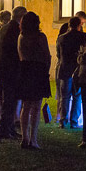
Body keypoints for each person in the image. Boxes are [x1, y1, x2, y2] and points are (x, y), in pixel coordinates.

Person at [17, 11, 51, 150]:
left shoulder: (21, 36)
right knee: (36, 107)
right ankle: (33, 139)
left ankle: (25, 138)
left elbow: (20, 54)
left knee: (25, 106)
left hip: (25, 69)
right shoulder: (40, 37)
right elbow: (46, 55)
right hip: (37, 70)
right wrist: (46, 70)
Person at [0, 6, 25, 139]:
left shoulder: (4, 27)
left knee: (7, 100)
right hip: (10, 69)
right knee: (9, 101)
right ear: (21, 16)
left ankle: (8, 128)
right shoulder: (14, 29)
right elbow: (14, 50)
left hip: (3, 69)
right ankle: (5, 130)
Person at [57, 16, 86, 129]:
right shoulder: (84, 36)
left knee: (64, 96)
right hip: (78, 70)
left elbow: (58, 54)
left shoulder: (62, 38)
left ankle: (63, 120)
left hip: (65, 68)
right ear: (79, 25)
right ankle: (74, 121)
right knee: (77, 96)